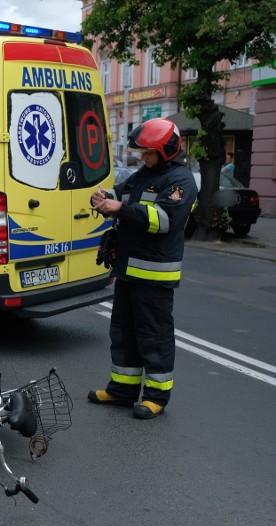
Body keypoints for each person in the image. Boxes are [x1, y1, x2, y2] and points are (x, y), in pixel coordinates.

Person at [88, 118, 197, 419]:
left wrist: (120, 209)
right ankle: (122, 391)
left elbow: (164, 220)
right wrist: (102, 198)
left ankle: (156, 397)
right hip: (128, 271)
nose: (142, 158)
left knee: (154, 336)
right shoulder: (143, 175)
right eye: (142, 153)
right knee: (123, 332)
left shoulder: (181, 180)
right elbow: (120, 193)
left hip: (154, 275)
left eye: (148, 153)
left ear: (167, 150)